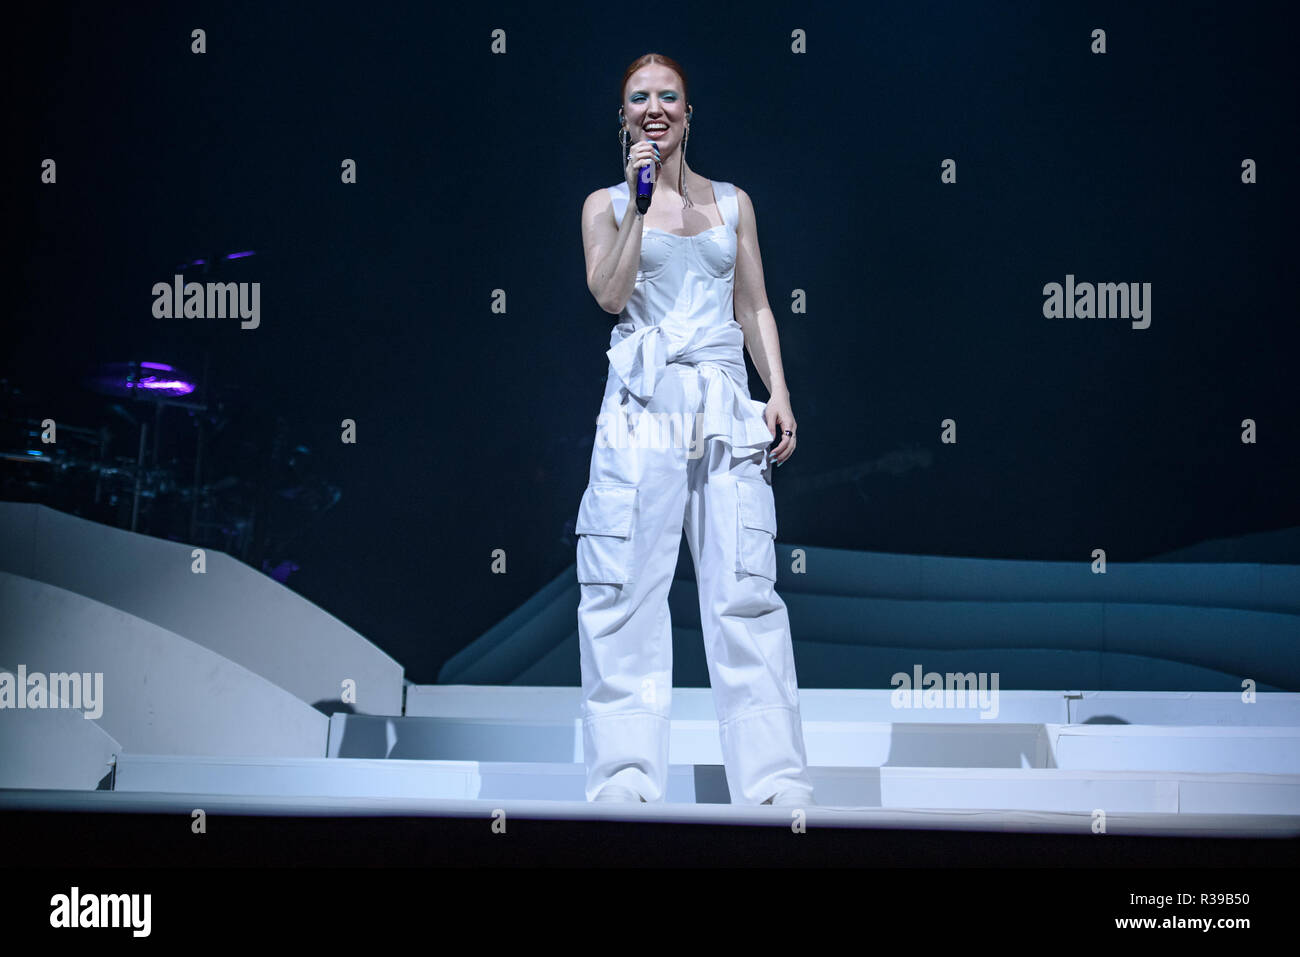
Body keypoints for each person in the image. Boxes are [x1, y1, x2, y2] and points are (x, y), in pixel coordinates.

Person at [575, 53, 815, 807]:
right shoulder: (606, 206)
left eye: (668, 96)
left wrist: (777, 387)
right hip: (642, 407)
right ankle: (625, 779)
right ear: (625, 117)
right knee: (624, 594)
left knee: (745, 590)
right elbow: (610, 297)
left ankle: (774, 783)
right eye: (639, 97)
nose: (655, 107)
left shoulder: (733, 203)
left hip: (721, 403)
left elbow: (755, 306)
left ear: (687, 111)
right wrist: (640, 206)